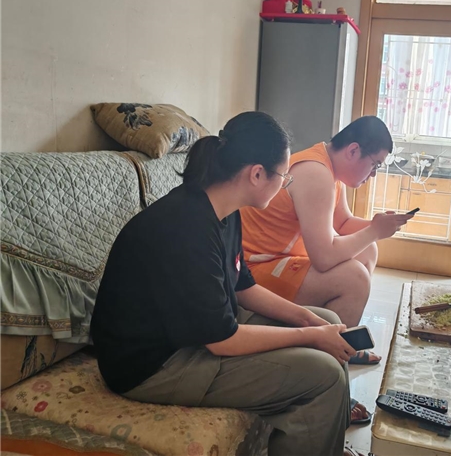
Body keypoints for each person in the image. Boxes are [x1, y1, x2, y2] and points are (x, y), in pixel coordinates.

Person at [90, 112, 368, 456]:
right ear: (256, 174)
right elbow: (223, 340)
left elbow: (243, 287)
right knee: (323, 375)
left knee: (326, 320)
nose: (285, 184)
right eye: (284, 177)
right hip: (152, 365)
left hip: (189, 335)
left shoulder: (224, 210)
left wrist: (308, 320)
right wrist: (309, 336)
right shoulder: (187, 228)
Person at [241, 116, 412, 365]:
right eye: (375, 164)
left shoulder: (326, 166)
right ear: (353, 151)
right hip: (252, 271)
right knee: (354, 279)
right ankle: (326, 363)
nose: (374, 174)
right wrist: (374, 231)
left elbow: (343, 223)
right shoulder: (315, 173)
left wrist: (381, 226)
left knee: (367, 251)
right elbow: (323, 257)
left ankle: (342, 341)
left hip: (277, 259)